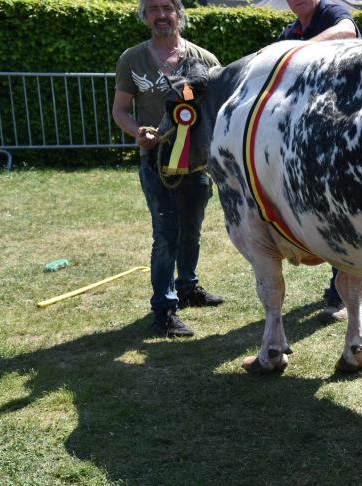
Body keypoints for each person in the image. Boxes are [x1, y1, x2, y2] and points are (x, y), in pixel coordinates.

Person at [112, 0, 223, 337]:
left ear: (178, 13)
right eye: (153, 9)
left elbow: (221, 109)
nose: (161, 15)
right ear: (145, 16)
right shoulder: (132, 59)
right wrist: (137, 131)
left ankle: (187, 287)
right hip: (156, 162)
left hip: (196, 164)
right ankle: (164, 309)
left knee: (192, 229)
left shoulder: (204, 59)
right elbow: (120, 111)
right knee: (166, 233)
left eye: (167, 8)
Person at [273, 0, 362, 321]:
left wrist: (296, 52)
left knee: (341, 215)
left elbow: (347, 31)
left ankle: (340, 296)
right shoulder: (290, 31)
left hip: (345, 132)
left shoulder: (330, 13)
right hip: (311, 138)